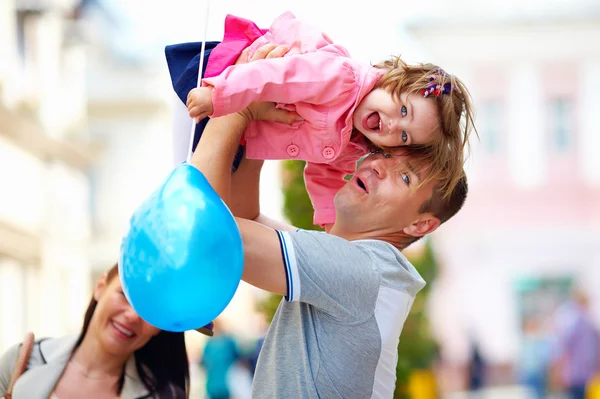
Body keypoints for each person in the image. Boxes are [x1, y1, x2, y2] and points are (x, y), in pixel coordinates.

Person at [183, 43, 470, 398]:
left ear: (421, 225)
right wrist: (260, 117)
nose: (376, 164)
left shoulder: (359, 272)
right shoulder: (363, 272)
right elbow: (244, 218)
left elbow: (207, 231)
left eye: (405, 178)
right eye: (382, 153)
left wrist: (237, 105)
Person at [168, 11, 475, 230]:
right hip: (227, 80)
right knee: (188, 179)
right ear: (390, 82)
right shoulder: (341, 78)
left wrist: (331, 226)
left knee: (212, 200)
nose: (395, 125)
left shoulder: (351, 146)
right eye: (404, 110)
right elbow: (276, 75)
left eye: (405, 137)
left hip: (243, 121)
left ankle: (190, 267)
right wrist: (220, 94)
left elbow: (324, 177)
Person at [0, 264, 192, 399]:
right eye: (126, 295)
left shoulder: (164, 395)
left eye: (151, 311)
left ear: (160, 327)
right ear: (100, 288)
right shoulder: (21, 361)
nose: (133, 316)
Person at [551, 290, 600, 399]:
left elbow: (563, 348)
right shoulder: (590, 323)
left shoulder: (573, 322)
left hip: (576, 375)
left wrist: (560, 371)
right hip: (587, 374)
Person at [199, 319, 239, 399]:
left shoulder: (210, 343)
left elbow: (203, 362)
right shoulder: (228, 341)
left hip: (213, 383)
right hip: (225, 382)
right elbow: (237, 357)